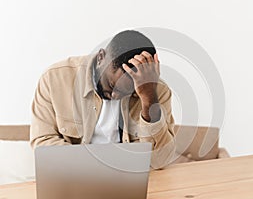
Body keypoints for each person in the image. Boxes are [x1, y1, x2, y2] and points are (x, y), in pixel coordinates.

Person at [30, 30, 175, 169]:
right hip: (73, 175)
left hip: (128, 182)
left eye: (127, 93)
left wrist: (149, 99)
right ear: (101, 58)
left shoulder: (156, 91)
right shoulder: (54, 79)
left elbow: (160, 161)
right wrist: (97, 166)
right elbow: (42, 144)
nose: (115, 96)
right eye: (112, 86)